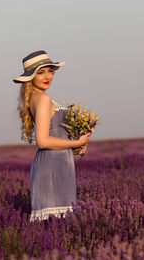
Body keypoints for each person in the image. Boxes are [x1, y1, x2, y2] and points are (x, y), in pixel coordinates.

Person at [13, 50, 91, 222]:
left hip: (58, 162)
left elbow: (52, 135)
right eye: (40, 72)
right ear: (30, 76)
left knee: (56, 223)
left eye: (50, 71)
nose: (47, 76)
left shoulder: (35, 98)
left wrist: (75, 146)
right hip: (52, 166)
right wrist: (76, 142)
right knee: (57, 222)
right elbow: (43, 140)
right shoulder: (43, 99)